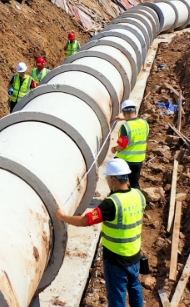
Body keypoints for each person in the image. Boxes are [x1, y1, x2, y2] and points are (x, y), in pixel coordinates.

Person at [56, 159, 146, 307]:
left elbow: (86, 220)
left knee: (117, 295)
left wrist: (63, 217)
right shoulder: (139, 195)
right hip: (135, 254)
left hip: (116, 259)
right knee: (135, 286)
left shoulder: (111, 204)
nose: (107, 182)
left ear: (113, 179)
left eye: (107, 178)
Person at [111, 100, 149, 189]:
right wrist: (123, 118)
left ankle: (117, 199)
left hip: (124, 160)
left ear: (124, 112)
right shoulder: (144, 123)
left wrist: (114, 149)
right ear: (135, 111)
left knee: (117, 183)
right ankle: (137, 200)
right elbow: (135, 120)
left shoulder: (126, 127)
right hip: (138, 160)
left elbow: (122, 146)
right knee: (134, 184)